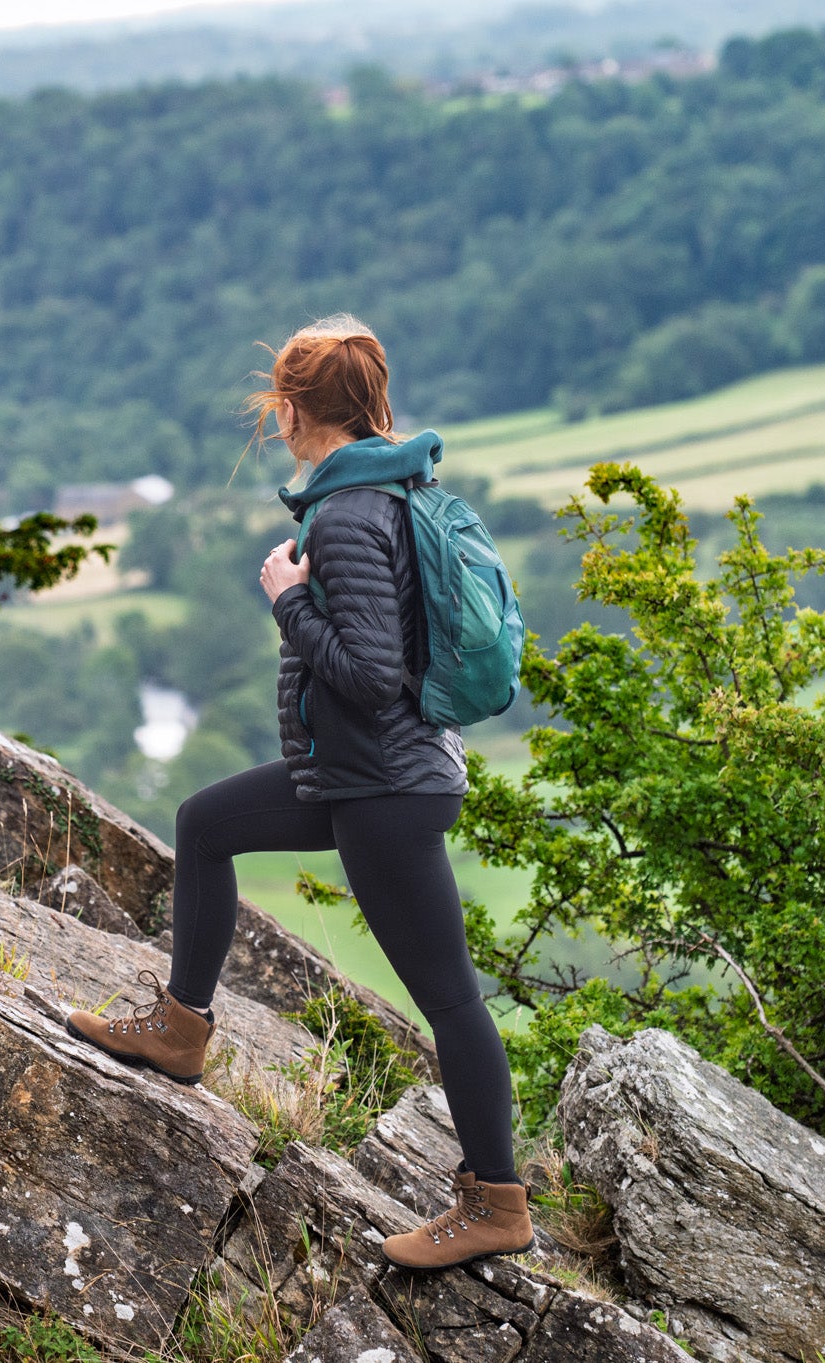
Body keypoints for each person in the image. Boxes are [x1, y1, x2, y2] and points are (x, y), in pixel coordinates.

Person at [64, 314, 535, 1270]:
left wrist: (285, 598)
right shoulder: (387, 493)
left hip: (383, 789)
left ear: (287, 412)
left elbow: (366, 672)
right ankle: (180, 1028)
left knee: (450, 1000)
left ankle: (497, 1203)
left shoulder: (350, 516)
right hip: (367, 775)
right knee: (204, 824)